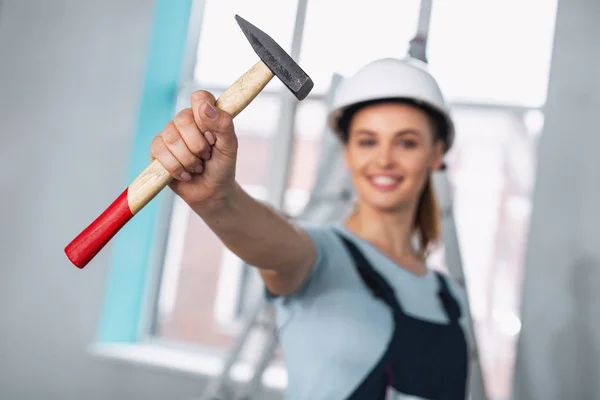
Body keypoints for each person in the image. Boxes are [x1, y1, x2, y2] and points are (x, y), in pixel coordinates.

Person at [150, 57, 469, 399]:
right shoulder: (323, 256)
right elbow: (274, 243)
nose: (384, 159)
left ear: (436, 154)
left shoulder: (450, 297)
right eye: (367, 141)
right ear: (346, 153)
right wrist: (219, 199)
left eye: (406, 142)